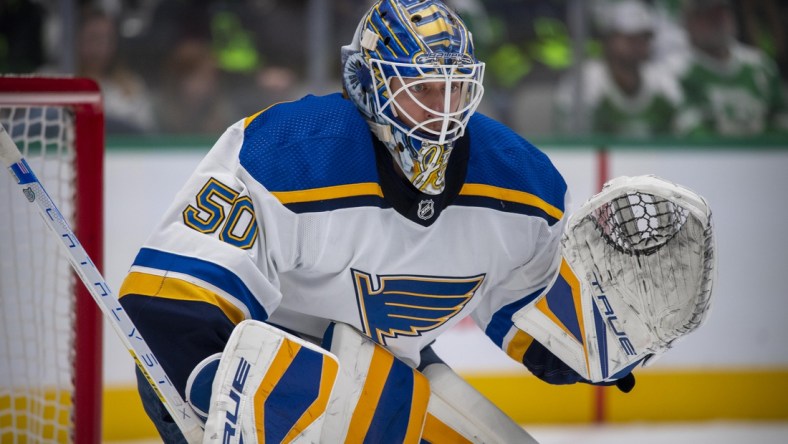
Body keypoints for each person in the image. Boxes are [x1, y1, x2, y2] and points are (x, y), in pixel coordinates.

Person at [118, 1, 633, 441]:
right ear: (368, 86)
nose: (444, 111)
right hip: (240, 373)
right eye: (423, 88)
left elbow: (537, 326)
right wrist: (216, 395)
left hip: (382, 376)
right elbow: (168, 307)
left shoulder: (521, 184)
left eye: (455, 89)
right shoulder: (290, 153)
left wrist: (613, 342)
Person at [554, 0, 687, 137]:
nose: (638, 44)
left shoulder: (662, 80)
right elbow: (573, 139)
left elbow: (685, 127)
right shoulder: (585, 81)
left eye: (644, 37)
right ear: (609, 39)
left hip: (657, 158)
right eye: (630, 38)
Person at [668, 0, 788, 136]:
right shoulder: (675, 71)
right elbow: (688, 127)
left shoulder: (760, 65)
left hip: (763, 153)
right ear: (688, 22)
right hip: (710, 154)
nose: (718, 21)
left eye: (723, 13)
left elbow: (781, 118)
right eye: (708, 15)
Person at [76, 8, 156, 134]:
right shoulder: (57, 81)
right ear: (77, 39)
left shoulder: (133, 87)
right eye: (93, 37)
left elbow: (145, 134)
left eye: (107, 39)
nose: (100, 46)